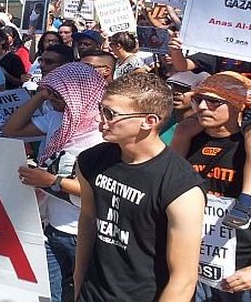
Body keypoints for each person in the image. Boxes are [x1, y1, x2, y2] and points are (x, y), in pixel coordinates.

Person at [74, 72, 206, 301]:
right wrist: (78, 283)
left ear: (149, 121)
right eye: (101, 109)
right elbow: (88, 221)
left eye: (110, 114)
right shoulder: (90, 161)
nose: (100, 119)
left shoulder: (181, 187)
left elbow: (183, 280)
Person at [4, 63, 107, 302]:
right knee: (50, 296)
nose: (54, 100)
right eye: (53, 92)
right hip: (52, 229)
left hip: (86, 233)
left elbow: (101, 190)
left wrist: (51, 180)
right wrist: (41, 94)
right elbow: (11, 129)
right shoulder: (55, 118)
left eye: (59, 94)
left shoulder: (104, 135)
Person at [180, 72, 251, 300]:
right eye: (198, 99)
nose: (202, 106)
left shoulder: (246, 145)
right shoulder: (188, 137)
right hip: (190, 268)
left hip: (238, 277)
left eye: (214, 101)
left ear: (236, 104)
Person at [159, 71, 210, 145]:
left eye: (184, 89)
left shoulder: (203, 128)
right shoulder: (161, 117)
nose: (177, 92)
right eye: (174, 87)